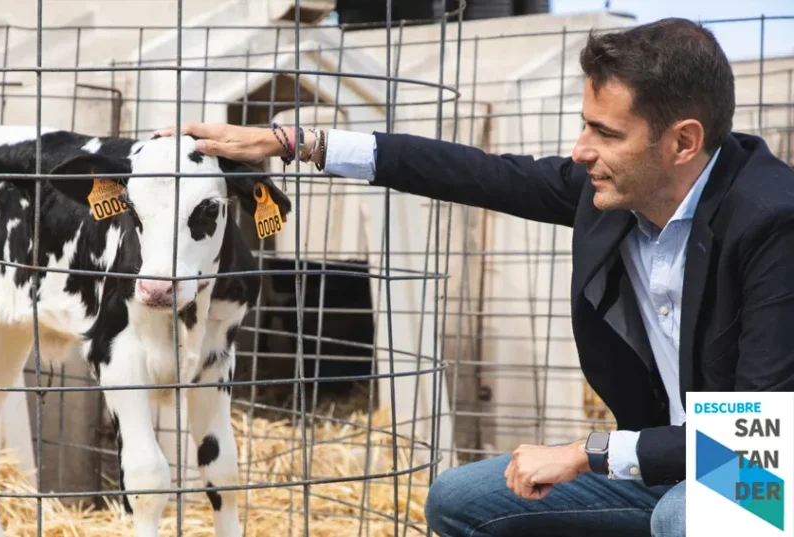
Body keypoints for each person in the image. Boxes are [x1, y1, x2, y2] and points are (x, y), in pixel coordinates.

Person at [154, 17, 794, 537]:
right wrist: (295, 142)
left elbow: (748, 443)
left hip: (765, 474)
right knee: (459, 501)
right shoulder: (613, 192)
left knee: (690, 516)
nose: (580, 150)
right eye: (584, 124)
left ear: (682, 143)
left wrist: (590, 452)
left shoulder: (773, 224)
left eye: (605, 132)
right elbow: (473, 172)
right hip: (666, 468)